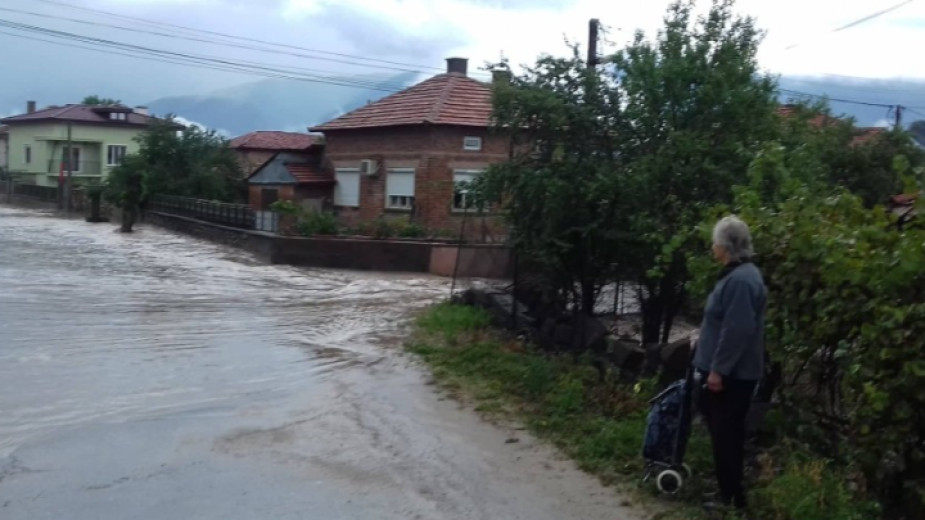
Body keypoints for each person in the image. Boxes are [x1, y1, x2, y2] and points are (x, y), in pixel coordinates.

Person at [693, 215, 766, 512]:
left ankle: (733, 501)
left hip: (731, 376)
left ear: (725, 246)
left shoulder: (741, 280)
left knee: (727, 436)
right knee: (724, 434)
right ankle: (729, 494)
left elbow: (737, 330)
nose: (712, 247)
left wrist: (718, 371)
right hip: (727, 372)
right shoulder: (738, 275)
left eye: (715, 242)